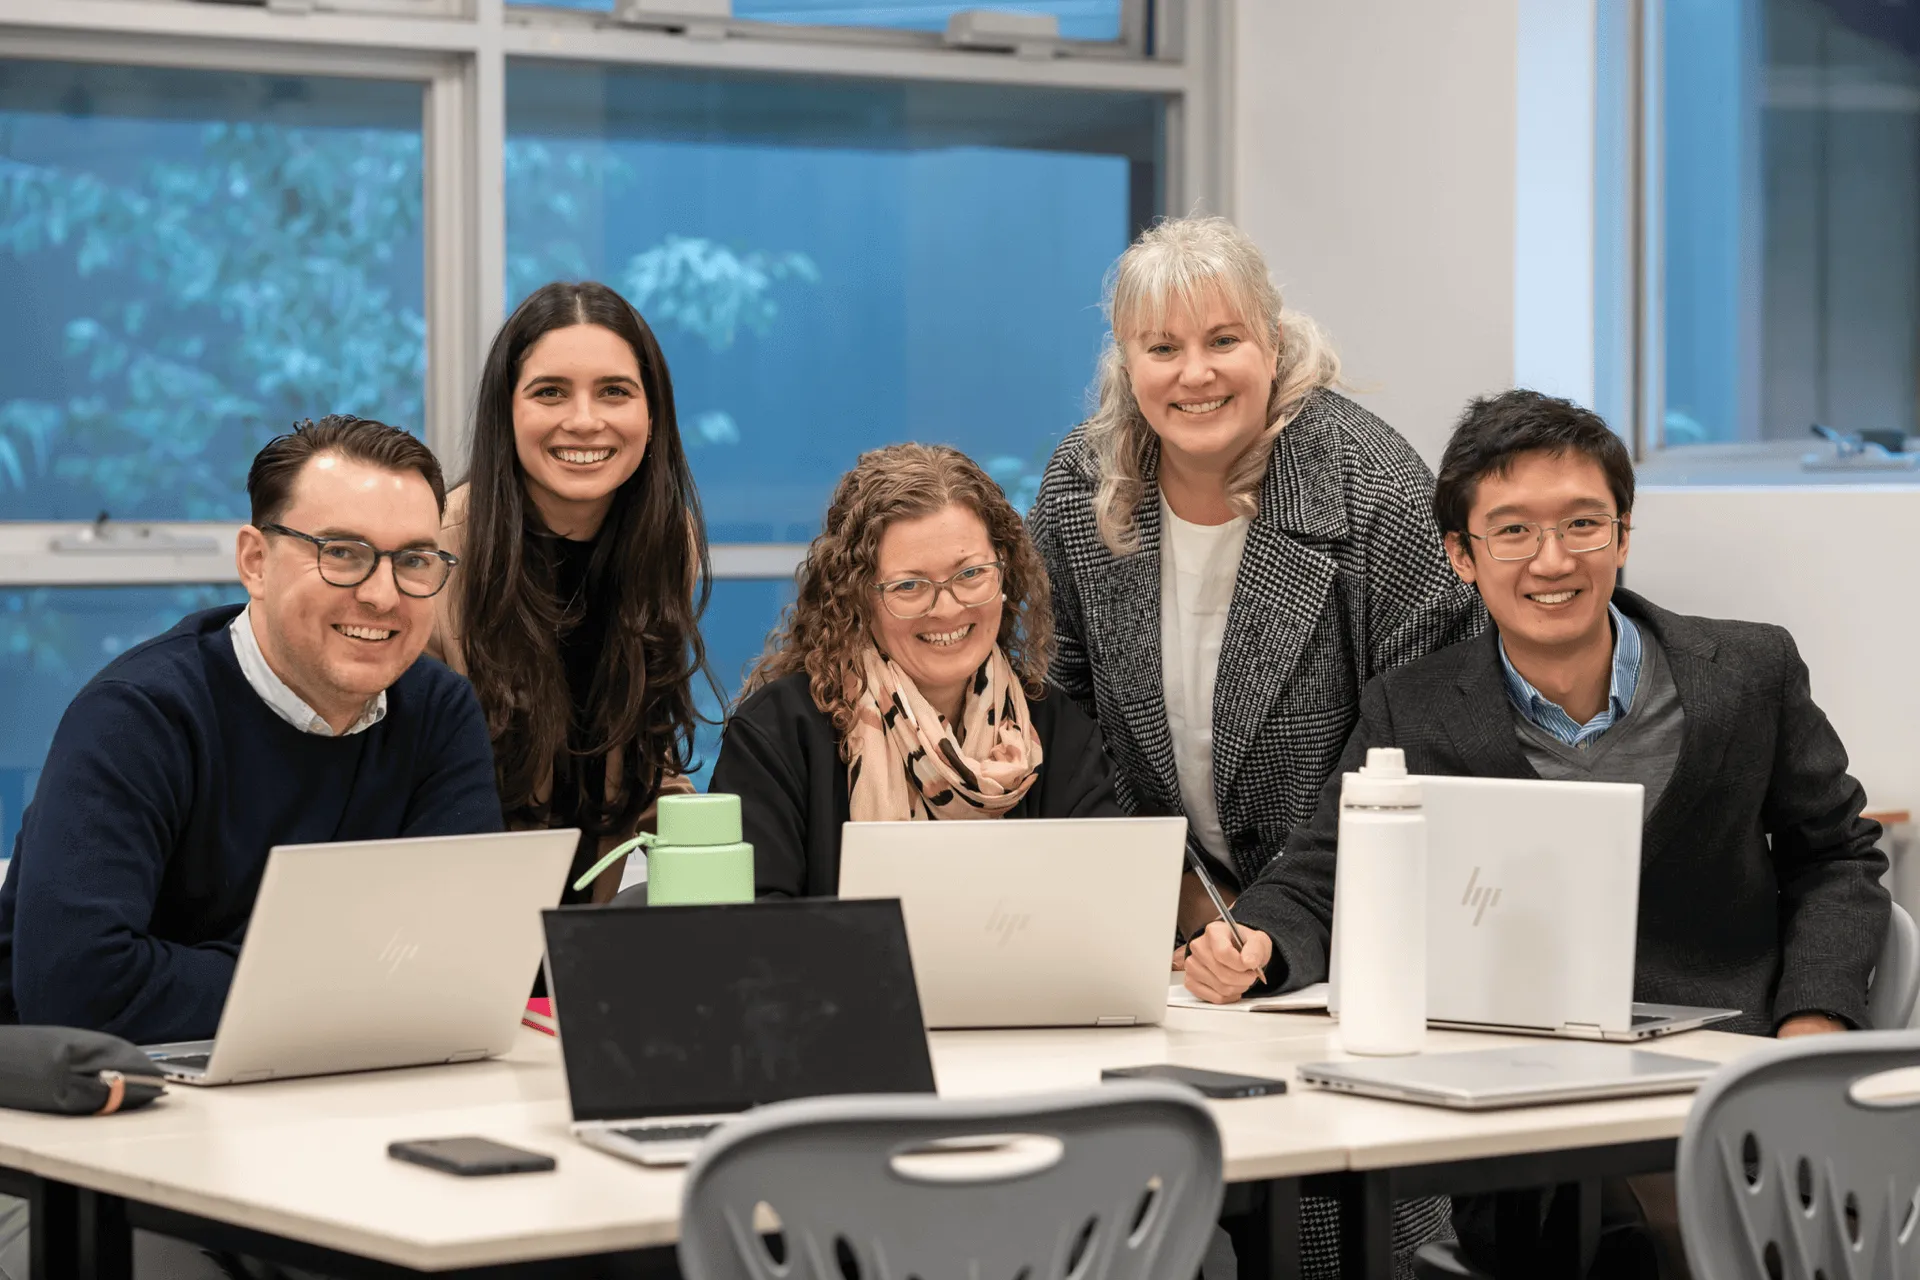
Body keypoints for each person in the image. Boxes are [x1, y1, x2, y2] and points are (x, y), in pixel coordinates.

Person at [1186, 388, 1891, 1278]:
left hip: (1713, 1091)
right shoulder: (1417, 705)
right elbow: (1325, 875)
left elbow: (1837, 857)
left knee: (1653, 1240)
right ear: (1461, 556)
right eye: (1512, 531)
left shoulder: (1748, 673)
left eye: (1582, 525)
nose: (1551, 559)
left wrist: (1813, 1025)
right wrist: (1254, 941)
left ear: (1624, 534)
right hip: (1508, 1102)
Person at [0, 415, 500, 1280]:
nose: (382, 594)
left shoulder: (439, 713)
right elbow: (79, 986)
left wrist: (239, 977)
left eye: (415, 560)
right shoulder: (139, 718)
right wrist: (335, 982)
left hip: (330, 1127)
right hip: (84, 1151)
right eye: (342, 552)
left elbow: (459, 973)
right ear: (256, 561)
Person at [1028, 214, 1482, 945]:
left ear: (1273, 341)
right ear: (1126, 362)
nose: (1195, 373)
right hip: (1164, 926)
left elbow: (1417, 740)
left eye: (1224, 340)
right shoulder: (1082, 486)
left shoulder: (1373, 485)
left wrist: (1275, 919)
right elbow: (1060, 709)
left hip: (1356, 921)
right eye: (1164, 348)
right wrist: (1172, 888)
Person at [712, 443, 1120, 896]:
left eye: (970, 575)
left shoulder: (1059, 733)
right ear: (859, 597)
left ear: (1005, 576)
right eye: (910, 585)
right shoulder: (776, 736)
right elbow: (748, 939)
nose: (946, 608)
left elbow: (1104, 909)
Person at [430, 282, 711, 905]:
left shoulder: (667, 543)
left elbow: (644, 741)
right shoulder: (436, 555)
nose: (584, 420)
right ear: (506, 411)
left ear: (651, 413)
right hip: (458, 916)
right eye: (550, 391)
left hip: (590, 925)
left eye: (615, 391)